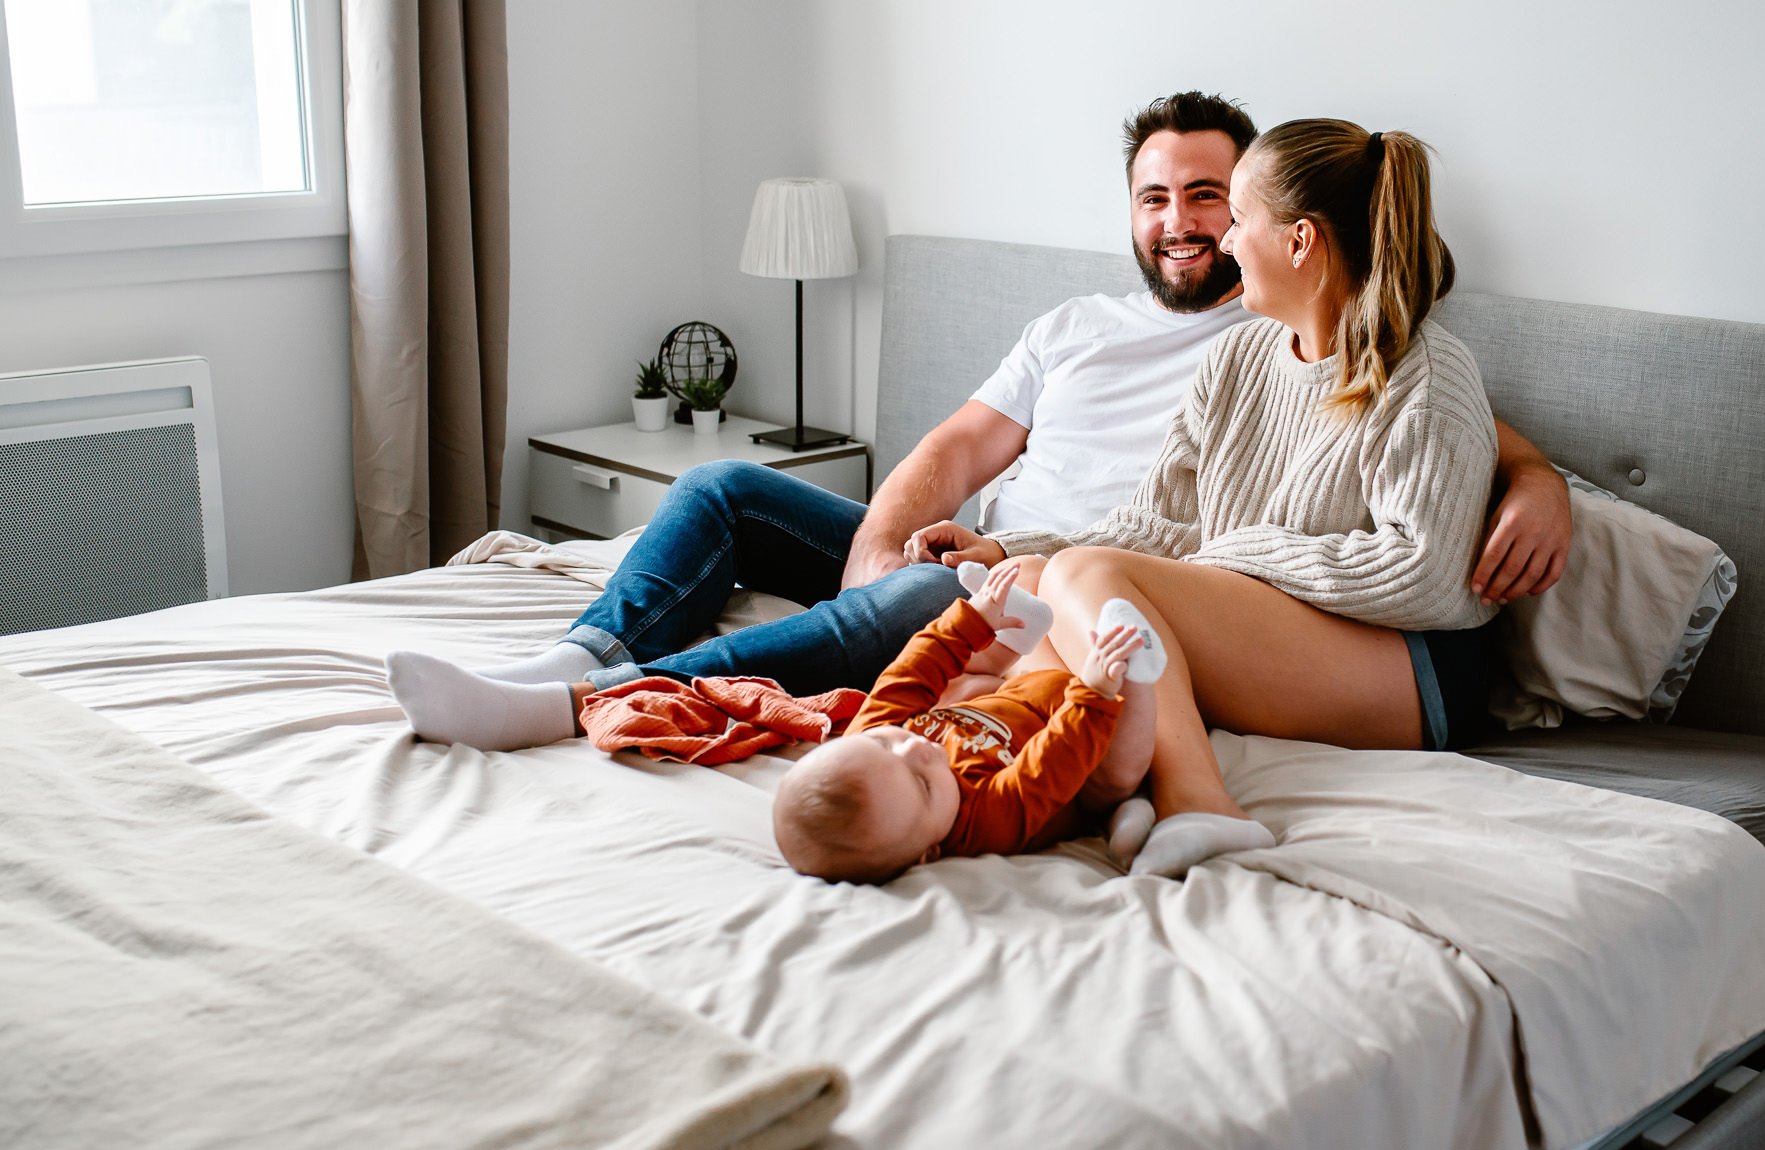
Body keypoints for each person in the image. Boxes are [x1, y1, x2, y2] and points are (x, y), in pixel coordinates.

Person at [385, 93, 1569, 747]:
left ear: (1279, 222)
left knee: (930, 601)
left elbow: (1442, 438)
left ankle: (604, 703)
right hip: (1028, 553)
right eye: (1157, 198)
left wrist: (1543, 484)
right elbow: (954, 449)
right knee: (720, 487)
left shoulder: (1311, 333)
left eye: (1214, 196)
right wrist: (898, 541)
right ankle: (582, 655)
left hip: (1091, 585)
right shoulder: (1084, 325)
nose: (1186, 222)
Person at [912, 119, 1508, 879]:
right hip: (1279, 624)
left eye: (1240, 220)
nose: (1225, 243)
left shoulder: (1428, 378)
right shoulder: (1236, 357)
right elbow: (1161, 521)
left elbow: (1421, 573)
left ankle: (1201, 801)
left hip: (1416, 668)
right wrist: (1010, 549)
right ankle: (1101, 782)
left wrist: (1229, 556)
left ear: (1299, 243)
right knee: (1036, 587)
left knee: (1089, 581)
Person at [773, 564, 1159, 884]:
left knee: (953, 685)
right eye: (922, 784)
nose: (916, 748)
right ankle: (1135, 664)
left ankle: (1015, 628)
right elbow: (1050, 766)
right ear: (931, 851)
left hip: (1011, 696)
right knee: (1117, 773)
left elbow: (909, 675)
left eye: (886, 745)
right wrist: (1093, 691)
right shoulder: (980, 822)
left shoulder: (866, 739)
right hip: (1078, 751)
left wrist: (969, 622)